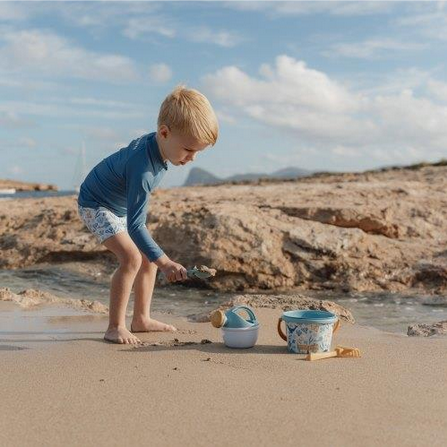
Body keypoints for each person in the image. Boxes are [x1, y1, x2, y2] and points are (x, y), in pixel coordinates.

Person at [77, 86, 219, 344]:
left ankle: (141, 319)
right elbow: (135, 225)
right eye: (188, 149)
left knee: (148, 257)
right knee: (132, 258)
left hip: (117, 206)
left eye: (198, 152)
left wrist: (157, 258)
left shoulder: (160, 149)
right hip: (95, 204)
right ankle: (114, 327)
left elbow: (135, 215)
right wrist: (166, 263)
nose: (192, 158)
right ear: (164, 132)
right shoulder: (143, 168)